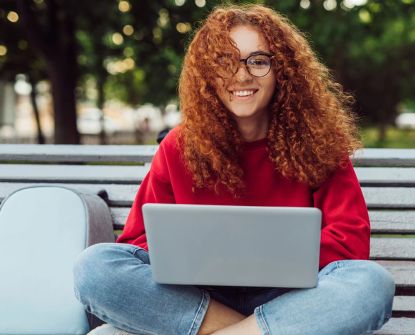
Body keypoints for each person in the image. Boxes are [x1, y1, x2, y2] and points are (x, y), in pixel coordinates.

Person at [73, 4, 395, 335]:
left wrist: (271, 258)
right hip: (197, 299)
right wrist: (189, 254)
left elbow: (350, 242)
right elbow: (138, 241)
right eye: (225, 61)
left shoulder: (317, 144)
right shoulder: (178, 146)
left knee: (373, 285)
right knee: (94, 268)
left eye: (258, 61)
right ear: (207, 75)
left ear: (282, 69)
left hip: (293, 298)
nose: (241, 75)